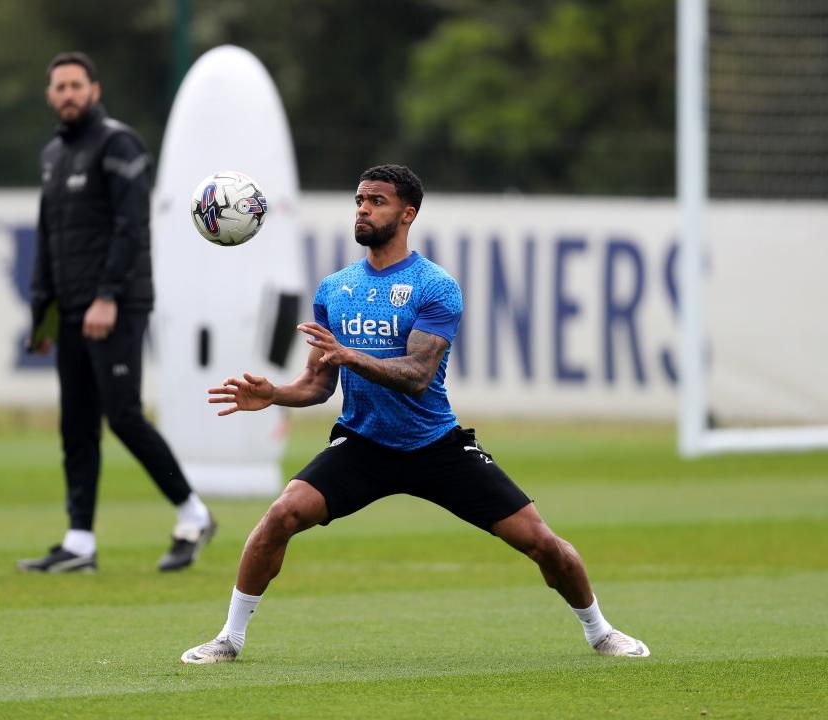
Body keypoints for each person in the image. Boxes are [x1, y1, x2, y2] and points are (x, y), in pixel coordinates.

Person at [181, 164, 650, 663]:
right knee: (281, 515)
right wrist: (275, 393)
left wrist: (352, 355)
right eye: (359, 199)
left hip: (435, 446)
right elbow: (320, 384)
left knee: (541, 542)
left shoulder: (435, 285)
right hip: (363, 444)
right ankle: (229, 639)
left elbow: (418, 373)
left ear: (408, 214)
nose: (362, 208)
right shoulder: (334, 289)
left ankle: (601, 632)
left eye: (376, 201)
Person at [18, 52, 216, 573]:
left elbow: (132, 227)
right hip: (72, 309)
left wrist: (108, 295)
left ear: (94, 89)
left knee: (122, 415)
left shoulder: (118, 144)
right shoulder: (53, 156)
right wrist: (42, 314)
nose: (67, 94)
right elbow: (49, 237)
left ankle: (194, 515)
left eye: (75, 85)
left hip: (117, 304)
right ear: (49, 94)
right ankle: (79, 543)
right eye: (58, 86)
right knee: (76, 424)